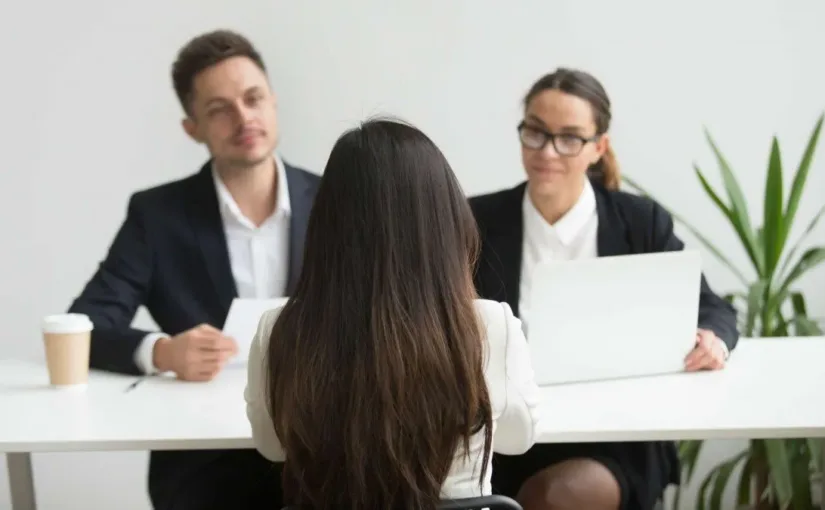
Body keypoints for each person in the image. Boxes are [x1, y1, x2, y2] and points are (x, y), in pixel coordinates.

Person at [67, 30, 320, 509]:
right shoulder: (157, 215)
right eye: (220, 109)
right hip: (202, 460)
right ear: (192, 127)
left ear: (273, 101)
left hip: (323, 448)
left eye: (253, 98)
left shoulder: (336, 200)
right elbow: (86, 324)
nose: (243, 118)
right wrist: (161, 352)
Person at [470, 68, 739, 510]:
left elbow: (712, 308)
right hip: (511, 434)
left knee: (551, 498)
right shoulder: (479, 220)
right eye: (535, 132)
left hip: (618, 436)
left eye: (570, 138)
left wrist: (714, 341)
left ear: (599, 147)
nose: (548, 151)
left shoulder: (639, 222)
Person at [244, 118, 543, 510]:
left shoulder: (279, 330)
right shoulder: (488, 326)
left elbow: (271, 446)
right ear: (445, 223)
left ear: (326, 226)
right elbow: (519, 439)